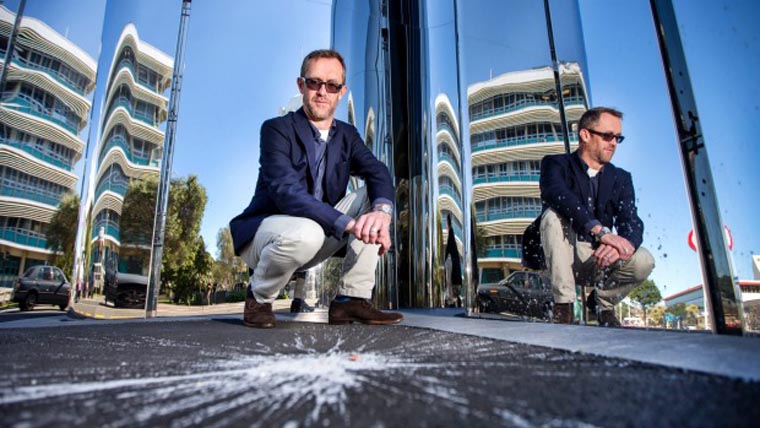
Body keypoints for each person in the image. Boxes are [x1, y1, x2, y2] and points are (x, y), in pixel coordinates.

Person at [229, 49, 402, 328]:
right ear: (301, 85)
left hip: (318, 233)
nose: (323, 91)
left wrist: (381, 214)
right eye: (314, 83)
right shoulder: (276, 129)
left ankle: (351, 300)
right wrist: (347, 224)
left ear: (341, 91)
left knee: (376, 196)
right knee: (305, 232)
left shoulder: (347, 135)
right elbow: (286, 192)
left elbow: (377, 171)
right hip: (267, 234)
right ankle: (259, 299)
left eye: (331, 85)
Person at [523, 107, 654, 326]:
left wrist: (622, 245)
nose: (613, 143)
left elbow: (630, 219)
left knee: (644, 260)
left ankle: (601, 304)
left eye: (617, 138)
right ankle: (563, 306)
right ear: (585, 135)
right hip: (560, 253)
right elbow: (557, 194)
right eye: (607, 136)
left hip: (598, 258)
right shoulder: (556, 164)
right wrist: (601, 231)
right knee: (552, 216)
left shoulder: (621, 178)